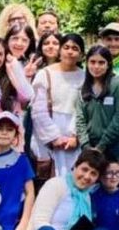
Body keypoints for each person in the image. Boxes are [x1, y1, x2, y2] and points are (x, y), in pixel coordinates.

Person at [31, 33, 86, 178]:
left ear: (81, 55)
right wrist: (54, 137)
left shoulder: (85, 77)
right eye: (66, 47)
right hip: (48, 134)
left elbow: (85, 109)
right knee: (50, 179)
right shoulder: (45, 74)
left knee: (74, 178)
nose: (70, 51)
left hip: (74, 134)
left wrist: (75, 136)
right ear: (60, 50)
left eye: (75, 48)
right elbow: (38, 111)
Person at [75, 45, 119, 171]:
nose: (96, 66)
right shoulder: (83, 88)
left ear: (108, 64)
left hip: (116, 145)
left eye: (101, 62)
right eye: (92, 62)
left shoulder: (117, 84)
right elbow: (80, 119)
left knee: (114, 183)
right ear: (86, 62)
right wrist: (86, 146)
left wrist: (101, 146)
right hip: (90, 146)